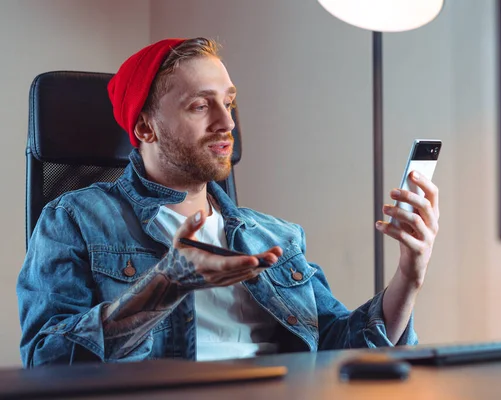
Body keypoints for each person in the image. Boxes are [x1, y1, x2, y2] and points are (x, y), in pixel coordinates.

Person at [17, 37, 440, 367]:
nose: (227, 122)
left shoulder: (276, 236)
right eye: (201, 106)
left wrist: (409, 274)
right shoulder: (75, 219)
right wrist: (166, 284)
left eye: (229, 102)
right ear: (145, 128)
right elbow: (45, 361)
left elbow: (339, 349)